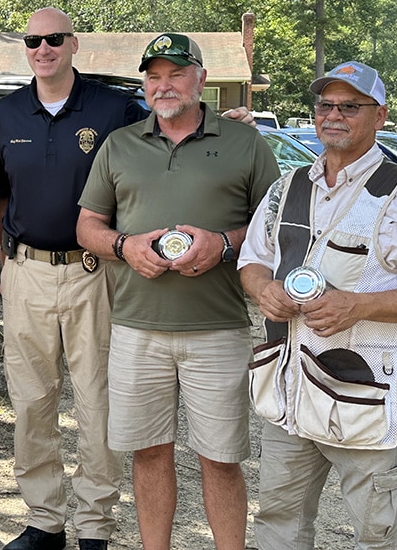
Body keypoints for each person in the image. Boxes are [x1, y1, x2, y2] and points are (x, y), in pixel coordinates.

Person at [0, 10, 255, 550]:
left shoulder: (114, 110)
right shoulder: (5, 113)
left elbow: (174, 125)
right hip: (27, 271)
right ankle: (45, 521)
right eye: (33, 40)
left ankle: (93, 526)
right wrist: (6, 251)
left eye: (54, 38)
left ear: (73, 43)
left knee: (96, 402)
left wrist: (232, 128)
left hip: (97, 272)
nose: (44, 48)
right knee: (32, 400)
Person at [237, 61, 397, 550]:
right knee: (278, 524)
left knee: (375, 535)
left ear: (380, 116)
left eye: (350, 106)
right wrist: (262, 290)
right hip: (289, 394)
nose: (333, 115)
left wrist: (357, 306)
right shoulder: (286, 187)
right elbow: (253, 262)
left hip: (366, 399)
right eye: (325, 105)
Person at [75, 32, 279, 550]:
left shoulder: (245, 144)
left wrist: (223, 243)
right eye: (154, 75)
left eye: (176, 73)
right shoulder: (120, 144)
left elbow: (275, 225)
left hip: (218, 328)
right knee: (148, 452)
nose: (164, 85)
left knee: (221, 457)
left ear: (201, 80)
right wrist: (124, 246)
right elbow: (88, 226)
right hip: (136, 327)